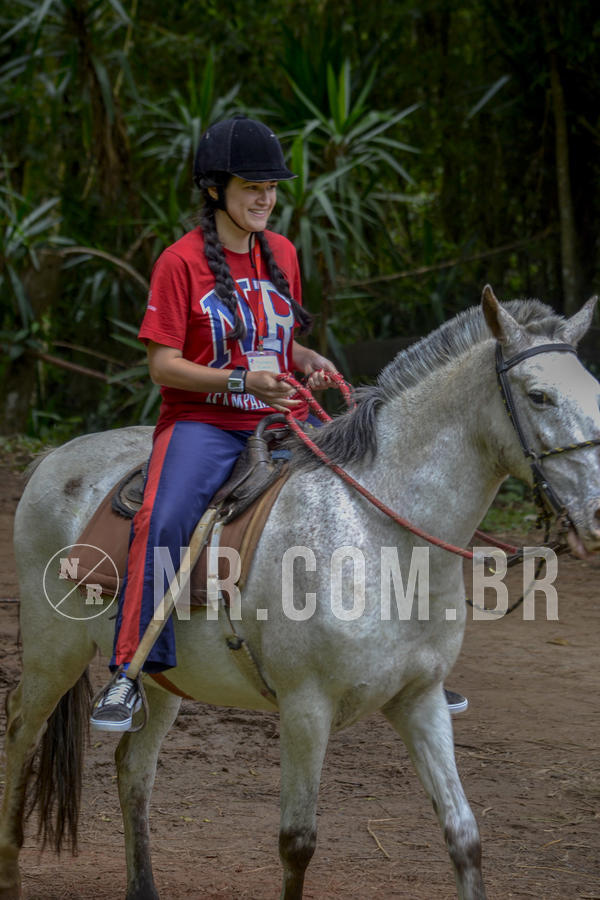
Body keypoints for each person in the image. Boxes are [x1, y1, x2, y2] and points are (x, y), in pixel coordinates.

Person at [90, 116, 467, 732]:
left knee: (369, 496)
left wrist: (307, 359)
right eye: (251, 185)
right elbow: (163, 365)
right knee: (165, 518)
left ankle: (411, 661)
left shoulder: (281, 253)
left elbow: (279, 342)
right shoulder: (179, 263)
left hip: (278, 420)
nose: (265, 197)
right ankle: (130, 672)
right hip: (203, 425)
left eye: (271, 186)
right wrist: (239, 381)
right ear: (215, 189)